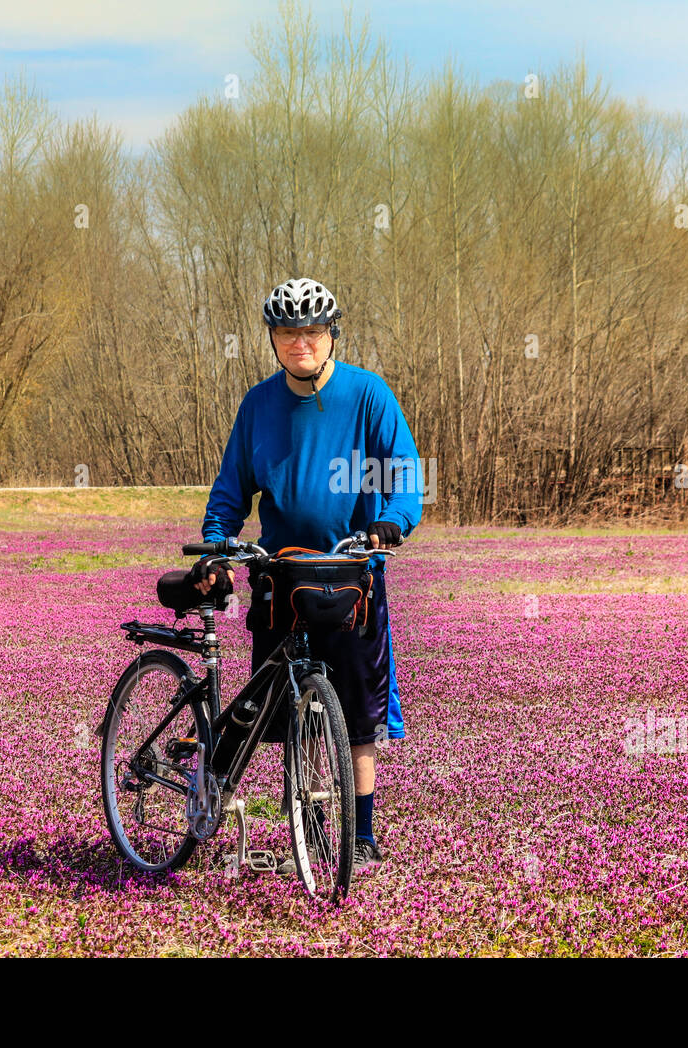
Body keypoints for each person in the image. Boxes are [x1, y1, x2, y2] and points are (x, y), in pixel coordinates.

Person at [191, 277, 422, 870]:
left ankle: (362, 836)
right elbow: (230, 492)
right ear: (273, 338)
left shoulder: (368, 396)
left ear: (331, 334)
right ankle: (312, 831)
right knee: (289, 712)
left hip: (351, 576)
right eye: (289, 331)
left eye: (312, 330)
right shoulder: (258, 406)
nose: (302, 342)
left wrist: (392, 522)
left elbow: (404, 474)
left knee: (357, 715)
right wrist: (219, 543)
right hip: (281, 577)